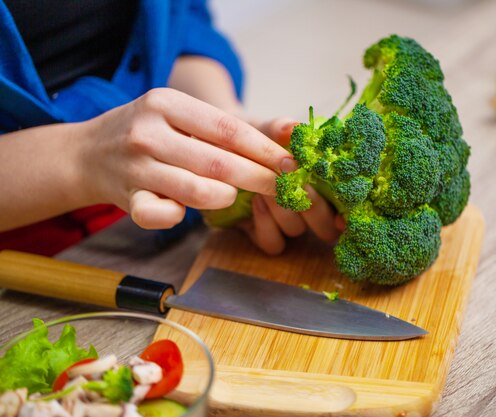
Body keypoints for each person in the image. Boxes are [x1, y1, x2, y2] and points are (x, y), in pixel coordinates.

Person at [0, 0, 342, 257]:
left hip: (166, 223)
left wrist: (220, 122)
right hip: (23, 259)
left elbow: (177, 24)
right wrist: (81, 158)